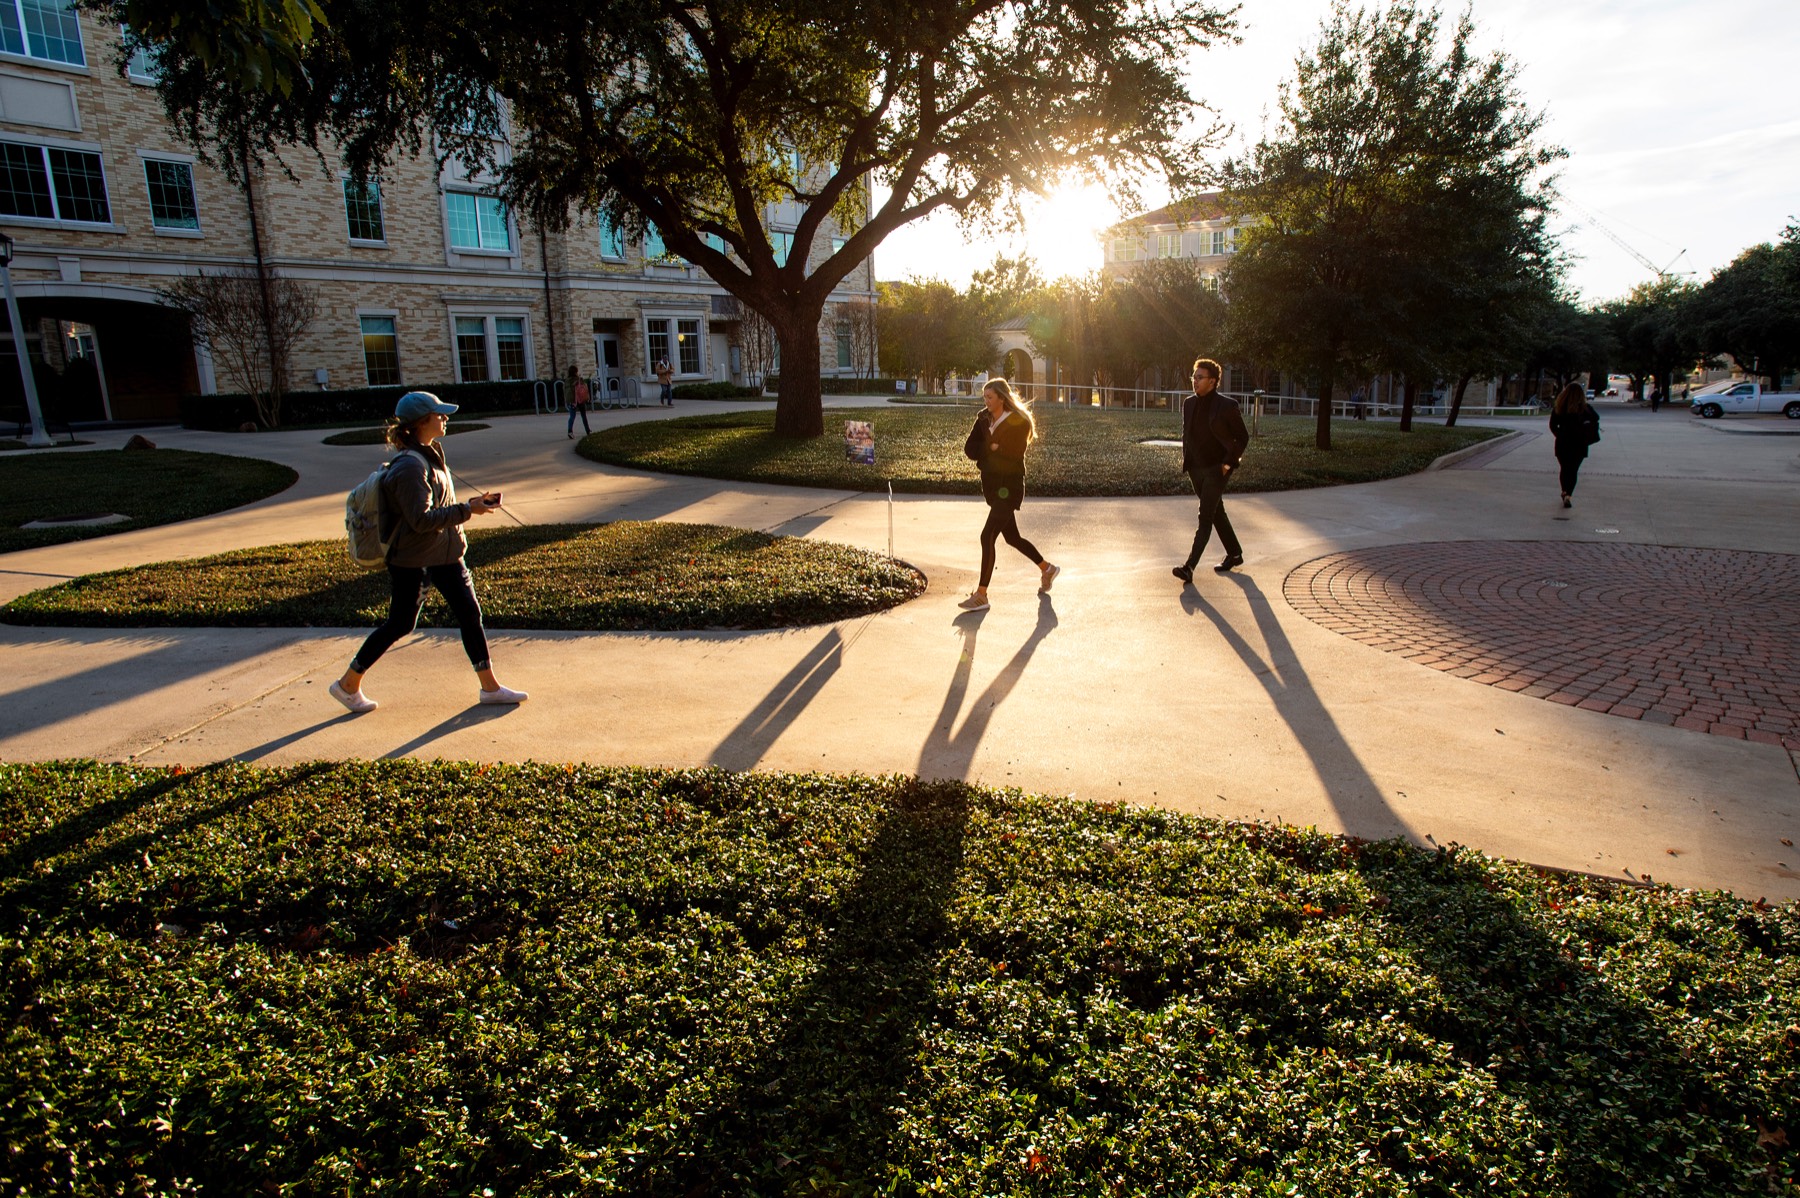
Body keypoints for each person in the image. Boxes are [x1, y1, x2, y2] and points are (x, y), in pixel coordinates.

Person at [329, 390, 527, 713]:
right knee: (400, 624)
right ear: (422, 422)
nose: (445, 418)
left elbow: (437, 509)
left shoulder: (430, 454)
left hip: (444, 554)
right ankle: (348, 683)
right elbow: (421, 521)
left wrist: (468, 508)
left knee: (469, 614)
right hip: (415, 560)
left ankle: (490, 688)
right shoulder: (409, 467)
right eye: (440, 415)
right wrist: (469, 509)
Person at [957, 377, 1059, 611]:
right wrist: (991, 449)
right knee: (1012, 537)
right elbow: (970, 449)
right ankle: (1047, 569)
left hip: (1009, 488)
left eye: (990, 397)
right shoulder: (983, 418)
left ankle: (981, 594)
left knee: (987, 536)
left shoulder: (1018, 422)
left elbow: (1013, 454)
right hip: (992, 489)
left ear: (1001, 398)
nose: (986, 401)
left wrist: (993, 450)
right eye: (985, 397)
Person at [1172, 357, 1247, 583]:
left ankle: (1189, 567)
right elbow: (1188, 434)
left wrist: (1227, 464)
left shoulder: (1227, 406)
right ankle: (1234, 554)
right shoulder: (1189, 404)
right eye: (1194, 376)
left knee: (1205, 516)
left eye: (1200, 377)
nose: (1195, 381)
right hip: (1196, 469)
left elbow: (1242, 437)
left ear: (1213, 381)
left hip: (1217, 470)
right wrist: (1188, 461)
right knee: (1216, 511)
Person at [1548, 381, 1600, 508]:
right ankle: (1568, 494)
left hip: (1563, 443)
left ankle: (1564, 490)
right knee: (1573, 470)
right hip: (1580, 443)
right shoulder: (1585, 408)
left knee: (1564, 469)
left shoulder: (1559, 408)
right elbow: (1596, 418)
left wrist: (1559, 435)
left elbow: (1552, 425)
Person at [566, 363, 591, 439]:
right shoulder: (579, 380)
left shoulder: (567, 381)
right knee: (583, 416)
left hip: (571, 401)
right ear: (575, 372)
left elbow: (566, 391)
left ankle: (570, 431)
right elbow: (584, 389)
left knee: (572, 416)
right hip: (580, 400)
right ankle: (588, 430)